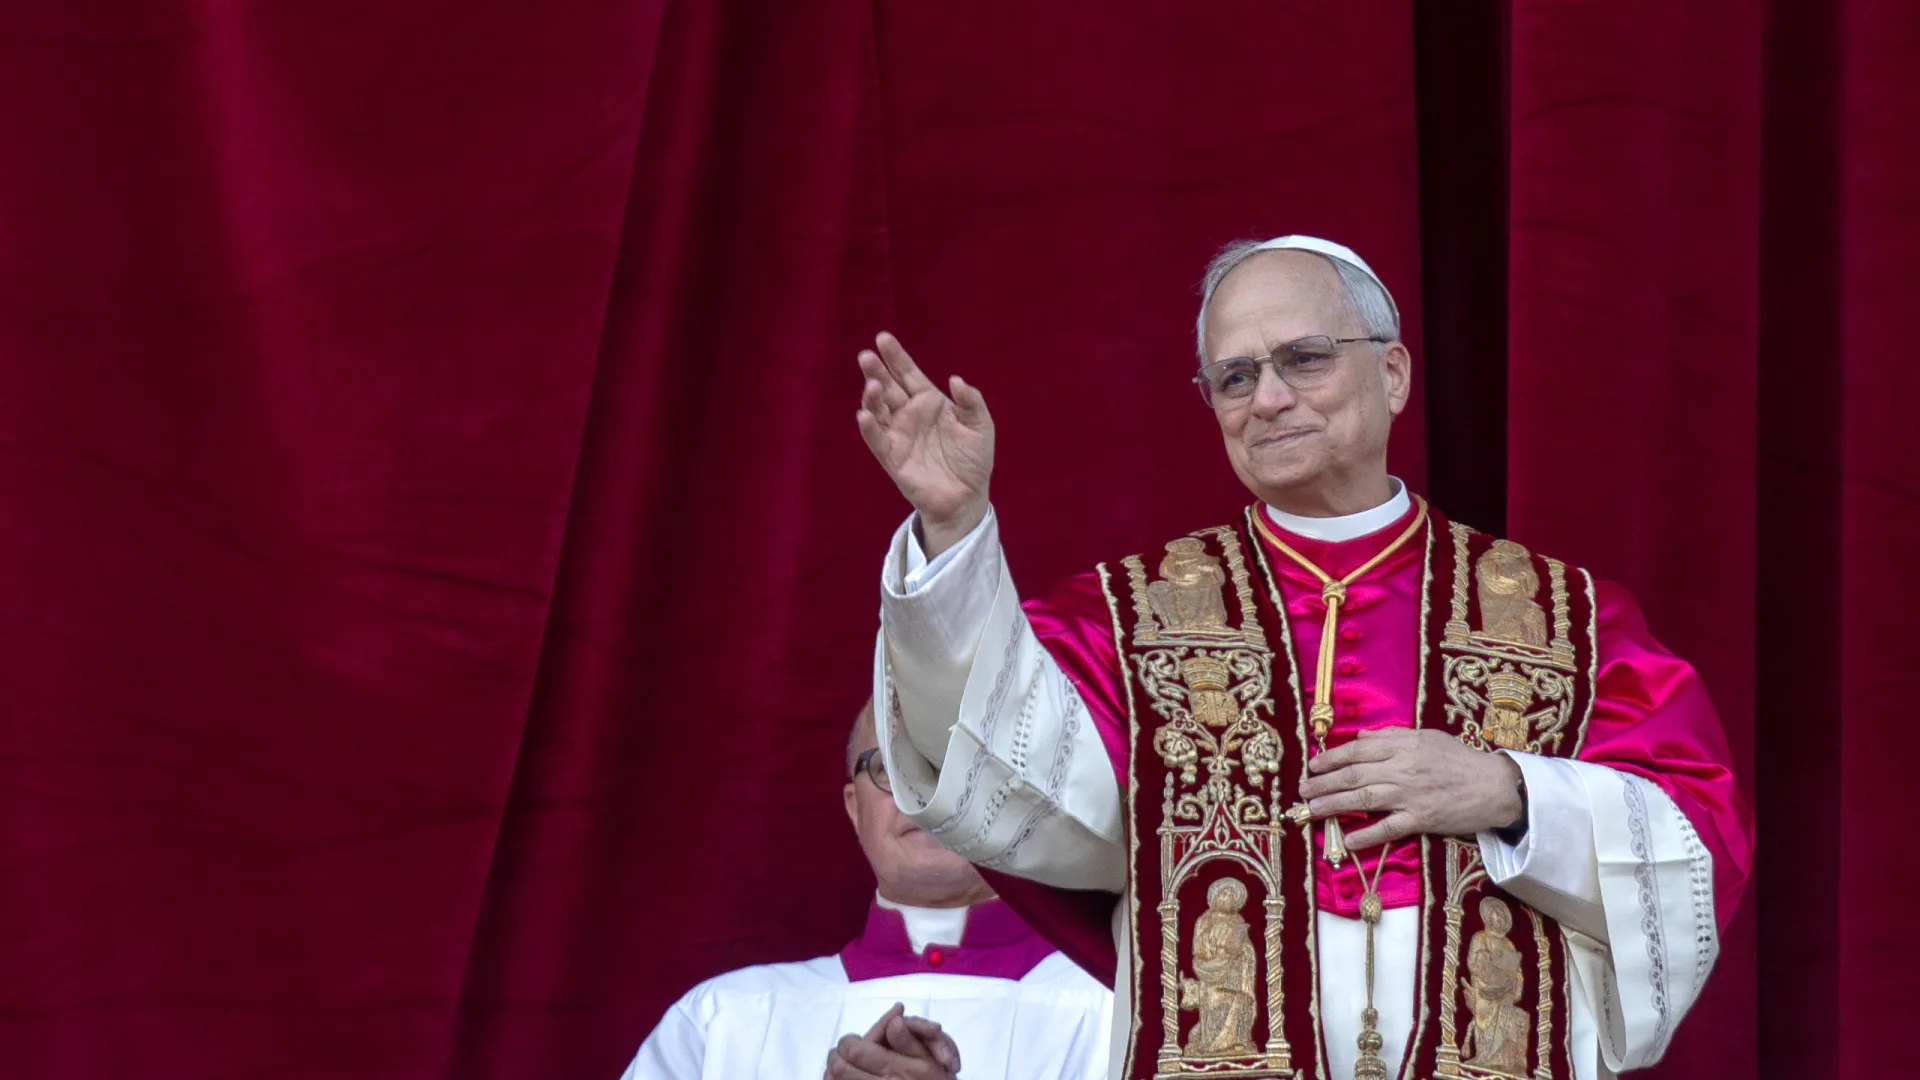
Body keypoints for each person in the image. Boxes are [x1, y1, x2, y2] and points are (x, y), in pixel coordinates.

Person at [852, 235, 1751, 1080]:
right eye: (1233, 377)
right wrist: (954, 527)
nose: (1267, 398)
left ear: (1392, 373)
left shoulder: (1566, 618)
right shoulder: (1127, 619)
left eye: (1304, 359)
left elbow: (1695, 845)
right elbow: (995, 764)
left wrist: (1513, 793)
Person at [623, 700, 1113, 1080]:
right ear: (855, 809)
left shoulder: (1120, 1012)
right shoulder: (721, 1022)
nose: (926, 793)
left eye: (960, 763)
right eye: (892, 766)